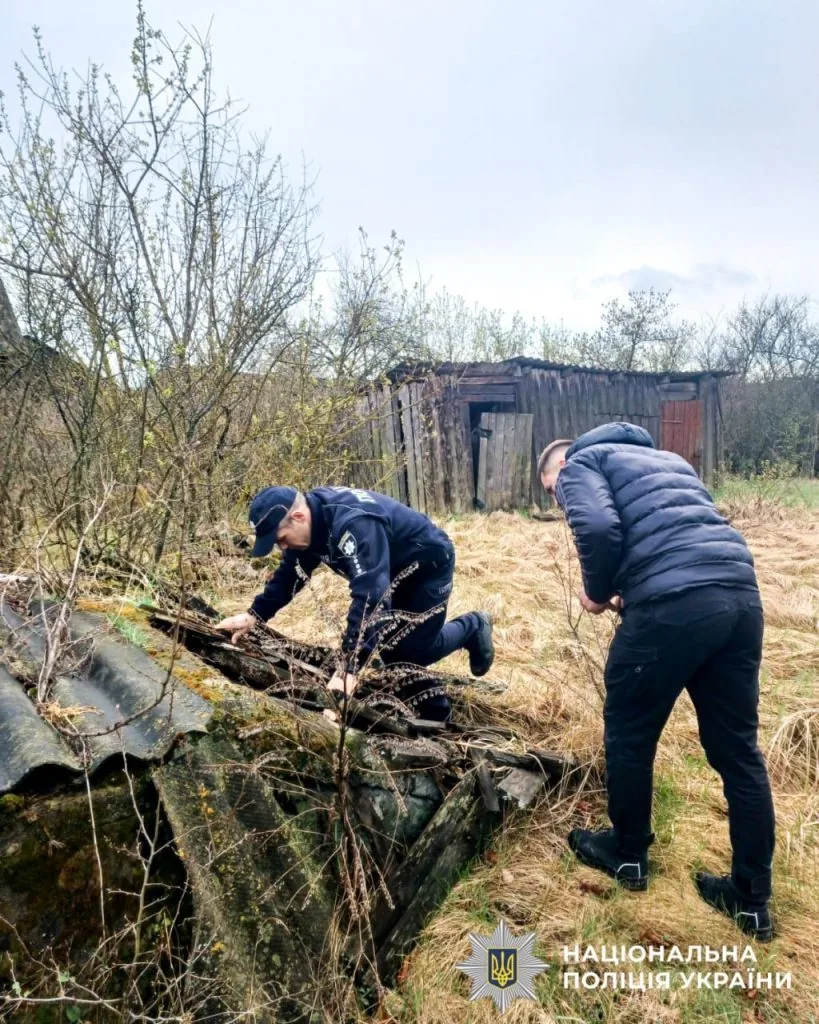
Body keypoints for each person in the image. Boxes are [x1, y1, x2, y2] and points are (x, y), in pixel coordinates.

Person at [539, 422, 776, 941]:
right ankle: (752, 900)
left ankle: (627, 857)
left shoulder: (580, 464)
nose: (560, 503)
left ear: (559, 468)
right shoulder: (670, 460)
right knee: (739, 751)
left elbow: (599, 529)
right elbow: (678, 532)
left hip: (677, 604)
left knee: (628, 730)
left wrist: (597, 593)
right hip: (739, 594)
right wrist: (637, 587)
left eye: (554, 494)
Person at [216, 484, 494, 721]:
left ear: (298, 517)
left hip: (427, 566)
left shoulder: (353, 524)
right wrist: (254, 615)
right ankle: (433, 712)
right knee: (391, 649)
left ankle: (472, 626)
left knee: (412, 650)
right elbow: (290, 575)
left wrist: (349, 667)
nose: (283, 547)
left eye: (281, 539)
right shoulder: (310, 526)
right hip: (387, 570)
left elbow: (371, 596)